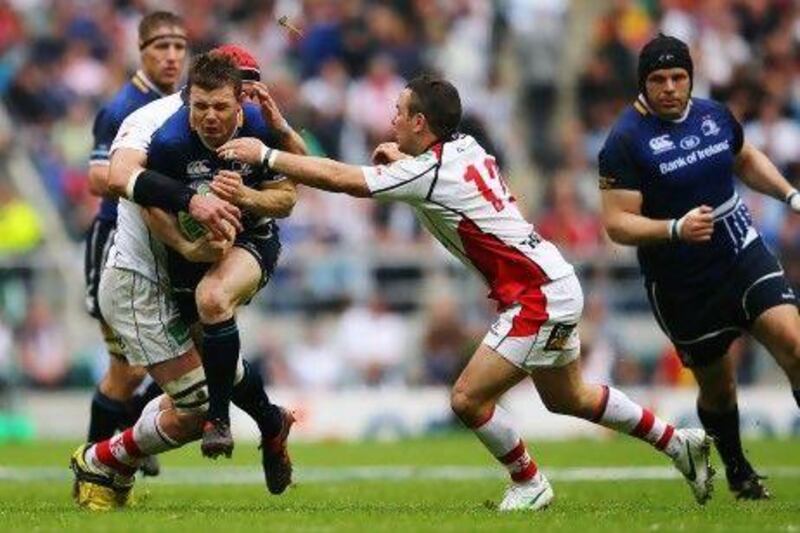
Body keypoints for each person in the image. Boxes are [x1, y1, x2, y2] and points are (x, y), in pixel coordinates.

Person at [216, 74, 715, 511]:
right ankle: (678, 443)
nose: (391, 119)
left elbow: (346, 181)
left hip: (538, 293)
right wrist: (286, 133)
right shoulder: (466, 147)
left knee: (467, 400)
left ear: (420, 123)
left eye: (399, 112)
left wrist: (266, 153)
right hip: (552, 280)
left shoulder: (427, 171)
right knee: (571, 398)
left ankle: (529, 482)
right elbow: (368, 175)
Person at [69, 51, 297, 511]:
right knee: (195, 409)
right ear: (193, 93)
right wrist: (191, 220)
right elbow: (121, 178)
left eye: (248, 90)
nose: (218, 113)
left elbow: (293, 184)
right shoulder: (156, 127)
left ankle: (267, 423)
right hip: (141, 280)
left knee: (220, 365)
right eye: (203, 105)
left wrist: (271, 154)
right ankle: (100, 459)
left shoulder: (253, 121)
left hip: (190, 269)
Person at [599, 34, 800, 500]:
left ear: (690, 77)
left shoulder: (714, 116)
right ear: (643, 84)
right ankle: (737, 469)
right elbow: (616, 223)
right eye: (658, 79)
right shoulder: (624, 141)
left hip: (739, 248)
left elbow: (745, 159)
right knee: (719, 386)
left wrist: (790, 195)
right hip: (681, 281)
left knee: (794, 344)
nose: (669, 87)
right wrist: (674, 228)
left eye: (678, 77)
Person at [84, 10, 187, 477]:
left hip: (157, 240)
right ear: (141, 52)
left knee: (173, 351)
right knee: (126, 369)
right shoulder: (123, 104)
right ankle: (98, 462)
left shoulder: (184, 105)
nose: (171, 56)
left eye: (179, 47)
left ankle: (128, 439)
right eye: (161, 47)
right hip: (115, 242)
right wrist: (155, 184)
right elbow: (95, 176)